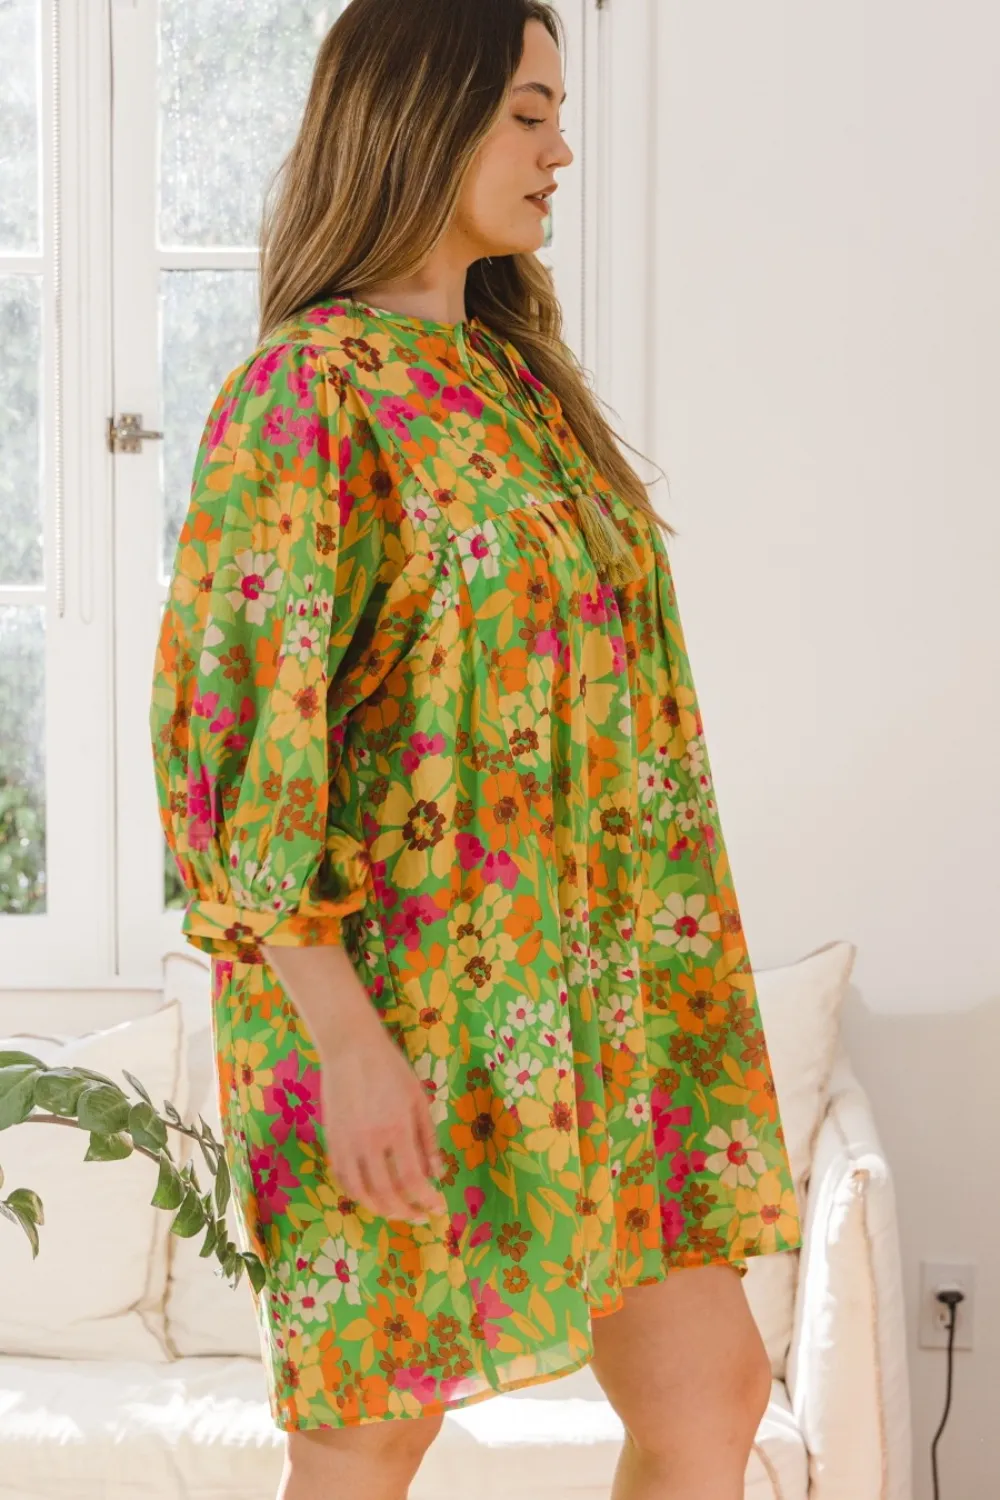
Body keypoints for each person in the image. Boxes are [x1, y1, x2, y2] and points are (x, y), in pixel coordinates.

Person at [149, 2, 802, 1496]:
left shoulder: (520, 386)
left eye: (558, 113)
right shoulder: (307, 392)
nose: (559, 149)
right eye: (526, 112)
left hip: (595, 989)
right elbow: (234, 744)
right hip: (397, 1003)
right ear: (415, 115)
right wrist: (345, 1044)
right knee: (375, 1429)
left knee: (709, 1388)